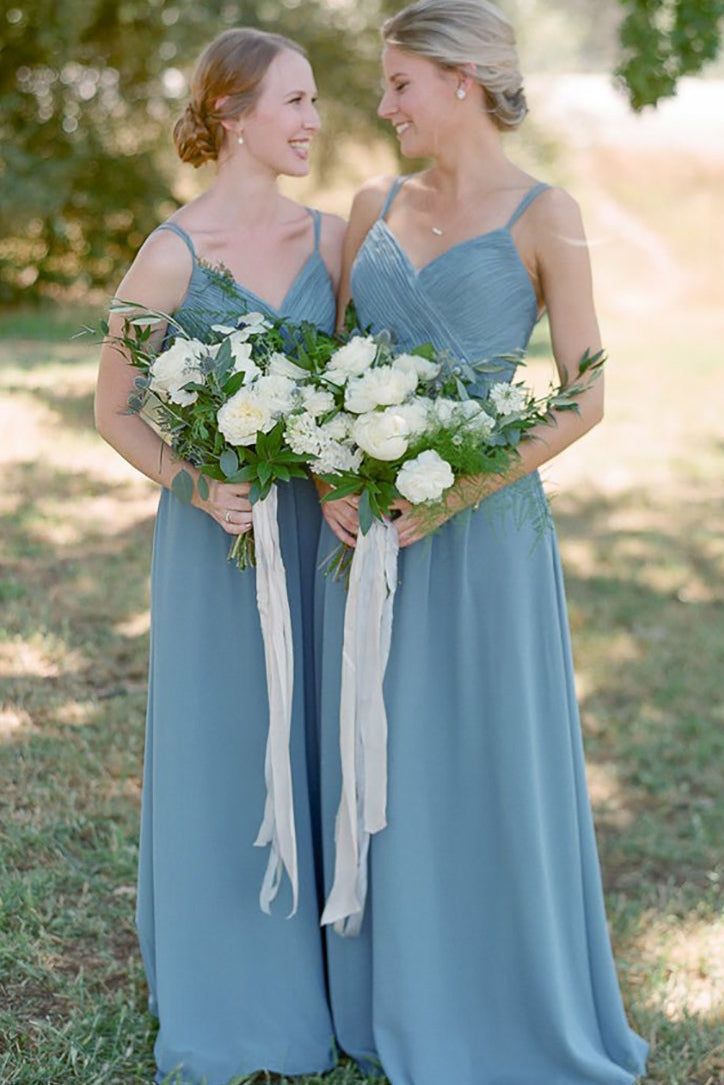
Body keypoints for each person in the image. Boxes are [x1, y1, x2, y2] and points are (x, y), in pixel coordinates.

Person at [315, 1, 649, 1082]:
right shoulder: (370, 202)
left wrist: (457, 492)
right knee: (387, 757)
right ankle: (392, 998)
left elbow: (586, 395)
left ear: (461, 79)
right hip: (371, 530)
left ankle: (505, 998)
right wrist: (329, 471)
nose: (382, 105)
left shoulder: (550, 215)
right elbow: (330, 368)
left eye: (399, 82)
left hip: (485, 530)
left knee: (487, 760)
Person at [95, 28, 345, 1085]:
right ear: (234, 115)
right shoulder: (170, 252)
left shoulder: (336, 239)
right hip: (223, 541)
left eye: (316, 100)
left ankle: (335, 967)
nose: (313, 120)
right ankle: (232, 979)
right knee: (229, 741)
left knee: (319, 738)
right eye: (293, 100)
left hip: (324, 540)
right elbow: (113, 407)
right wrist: (199, 489)